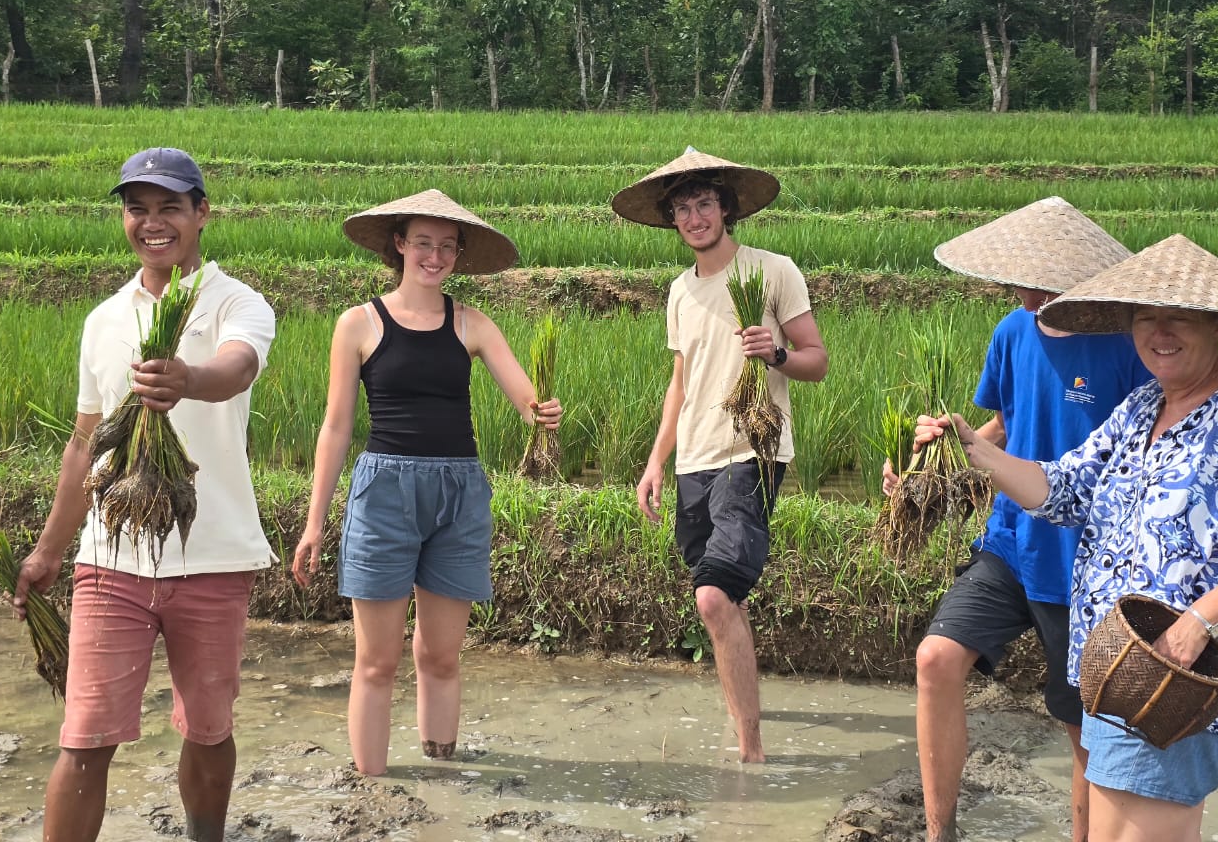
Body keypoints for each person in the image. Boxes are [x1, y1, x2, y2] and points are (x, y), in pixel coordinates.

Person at [921, 233, 1218, 842]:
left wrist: (1194, 627)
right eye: (1146, 317)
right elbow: (1063, 489)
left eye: (1180, 318)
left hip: (1175, 681)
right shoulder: (1143, 406)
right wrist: (974, 448)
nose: (1160, 333)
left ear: (1217, 323)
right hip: (1112, 673)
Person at [12, 147, 277, 842]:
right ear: (124, 218)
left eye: (169, 208)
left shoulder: (236, 303)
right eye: (137, 208)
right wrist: (46, 554)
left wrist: (184, 378)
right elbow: (84, 446)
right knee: (85, 737)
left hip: (212, 555)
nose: (152, 223)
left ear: (201, 214)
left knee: (209, 728)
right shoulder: (104, 319)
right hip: (111, 557)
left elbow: (236, 367)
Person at [882, 197, 1151, 842]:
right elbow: (1002, 425)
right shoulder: (1010, 332)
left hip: (1083, 559)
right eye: (1018, 276)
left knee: (1084, 726)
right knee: (936, 660)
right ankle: (938, 831)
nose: (1027, 290)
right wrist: (936, 464)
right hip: (1011, 541)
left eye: (1040, 276)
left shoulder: (1125, 345)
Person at [291, 189, 561, 776]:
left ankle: (440, 775)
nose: (433, 256)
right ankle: (373, 790)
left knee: (440, 656)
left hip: (459, 496)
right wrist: (315, 524)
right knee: (377, 662)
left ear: (458, 254)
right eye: (422, 243)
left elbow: (523, 396)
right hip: (383, 493)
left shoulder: (471, 323)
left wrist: (540, 412)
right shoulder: (358, 324)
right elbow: (336, 427)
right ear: (399, 245)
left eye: (445, 246)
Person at [614, 148, 828, 763]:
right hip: (694, 462)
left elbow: (816, 358)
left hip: (751, 447)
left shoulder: (773, 271)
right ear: (673, 221)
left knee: (711, 596)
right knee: (721, 597)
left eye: (704, 204)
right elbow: (681, 384)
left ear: (726, 209)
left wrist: (778, 355)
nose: (694, 217)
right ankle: (747, 705)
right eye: (682, 209)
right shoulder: (680, 291)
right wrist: (656, 462)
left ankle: (751, 751)